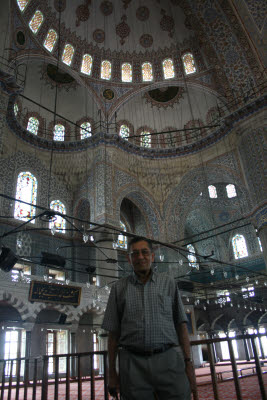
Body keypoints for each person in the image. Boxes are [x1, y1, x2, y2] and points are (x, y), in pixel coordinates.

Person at [102, 236, 196, 400]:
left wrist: (188, 364)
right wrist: (112, 373)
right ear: (129, 259)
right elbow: (113, 335)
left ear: (152, 256)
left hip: (169, 360)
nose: (140, 257)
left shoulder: (168, 283)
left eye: (144, 252)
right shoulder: (118, 289)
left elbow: (181, 325)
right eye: (135, 254)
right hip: (133, 365)